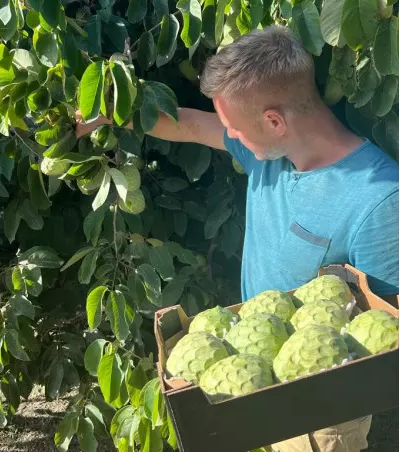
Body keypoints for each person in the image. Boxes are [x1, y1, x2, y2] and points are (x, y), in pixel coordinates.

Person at [77, 26, 399, 451]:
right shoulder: (270, 151)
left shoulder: (379, 202)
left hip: (318, 418)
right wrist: (108, 113)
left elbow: (385, 331)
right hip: (251, 374)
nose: (232, 136)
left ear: (274, 120)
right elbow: (191, 126)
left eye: (237, 128)